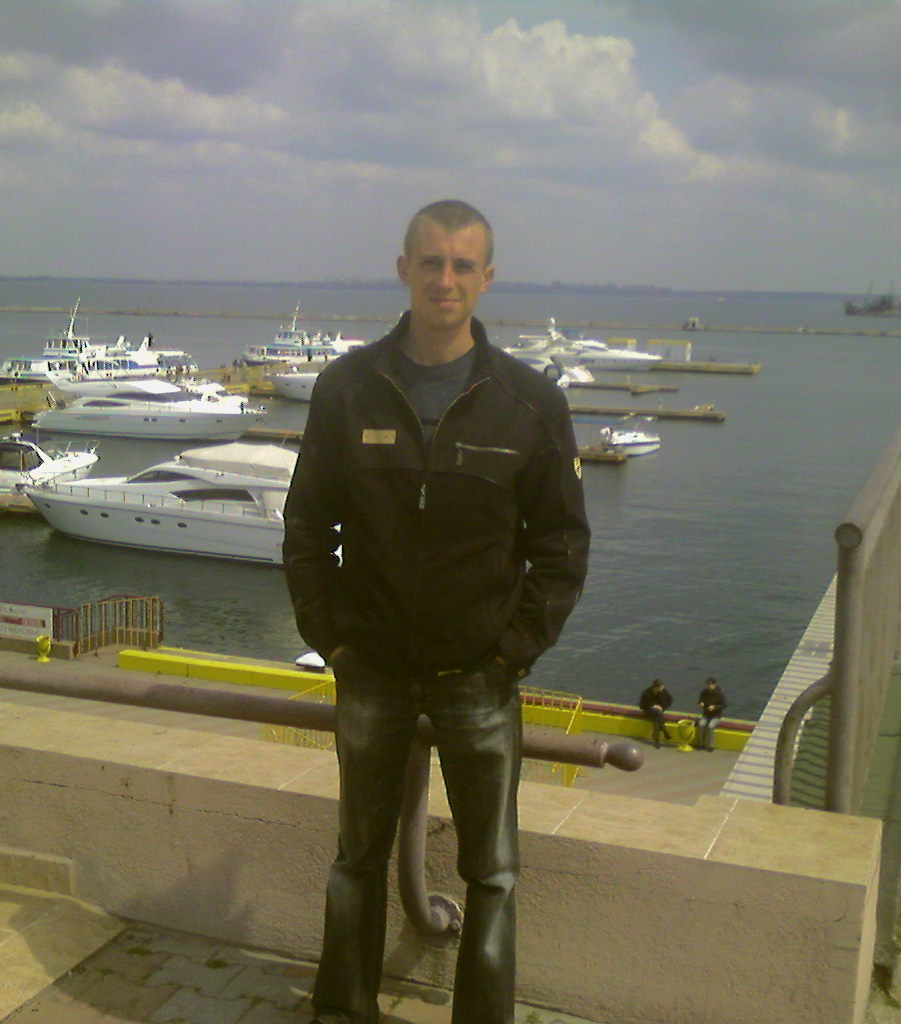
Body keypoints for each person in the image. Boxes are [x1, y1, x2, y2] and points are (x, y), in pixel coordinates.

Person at [283, 199, 590, 1024]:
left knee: (492, 873)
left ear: (486, 278)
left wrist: (513, 650)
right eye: (431, 262)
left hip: (480, 675)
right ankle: (342, 1010)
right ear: (404, 270)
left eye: (462, 265)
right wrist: (331, 638)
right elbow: (307, 526)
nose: (445, 279)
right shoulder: (348, 390)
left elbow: (562, 544)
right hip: (371, 668)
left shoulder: (528, 403)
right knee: (356, 858)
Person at [638, 678, 673, 748]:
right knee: (658, 713)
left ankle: (657, 739)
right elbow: (642, 706)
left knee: (657, 718)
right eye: (661, 687)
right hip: (648, 710)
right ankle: (664, 729)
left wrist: (663, 707)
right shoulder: (647, 693)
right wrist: (653, 706)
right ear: (656, 688)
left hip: (659, 712)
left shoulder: (663, 692)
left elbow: (670, 700)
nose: (662, 688)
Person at [696, 677, 728, 752]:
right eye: (708, 685)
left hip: (716, 716)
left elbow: (724, 705)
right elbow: (700, 700)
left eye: (711, 685)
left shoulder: (719, 694)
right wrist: (701, 703)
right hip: (706, 714)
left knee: (710, 726)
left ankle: (710, 745)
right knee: (701, 725)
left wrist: (715, 707)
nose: (709, 686)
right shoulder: (704, 692)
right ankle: (701, 744)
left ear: (714, 685)